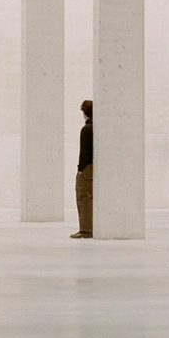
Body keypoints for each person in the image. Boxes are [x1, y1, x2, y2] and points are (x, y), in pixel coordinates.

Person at [72, 99, 94, 237]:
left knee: (83, 197)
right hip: (95, 167)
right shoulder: (98, 128)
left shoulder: (86, 129)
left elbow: (84, 152)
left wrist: (80, 170)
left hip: (87, 168)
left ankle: (85, 229)